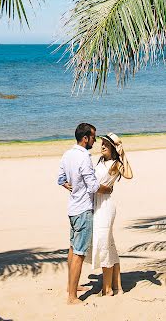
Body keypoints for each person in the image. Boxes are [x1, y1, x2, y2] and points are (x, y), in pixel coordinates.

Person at [58, 123, 113, 305]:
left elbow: (61, 179)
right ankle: (72, 297)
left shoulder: (67, 154)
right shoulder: (84, 157)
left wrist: (70, 187)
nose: (95, 140)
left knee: (73, 248)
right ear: (85, 138)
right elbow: (93, 186)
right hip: (83, 209)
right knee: (80, 253)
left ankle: (70, 286)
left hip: (72, 209)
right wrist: (107, 189)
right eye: (93, 137)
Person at [90, 133, 133, 296]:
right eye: (101, 143)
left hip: (106, 205)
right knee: (109, 245)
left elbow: (129, 175)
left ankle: (107, 289)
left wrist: (123, 154)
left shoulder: (116, 163)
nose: (101, 146)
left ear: (113, 148)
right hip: (97, 204)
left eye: (105, 145)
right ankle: (118, 287)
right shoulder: (100, 161)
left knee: (103, 245)